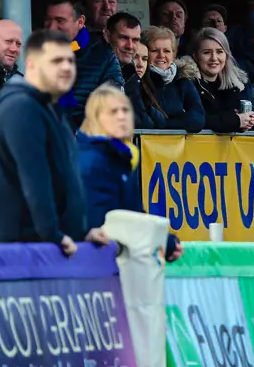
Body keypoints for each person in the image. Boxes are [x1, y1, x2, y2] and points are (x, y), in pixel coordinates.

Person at [0, 30, 106, 253]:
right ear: (31, 64)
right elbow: (35, 179)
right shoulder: (20, 108)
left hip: (53, 248)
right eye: (56, 61)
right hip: (26, 253)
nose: (66, 67)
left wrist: (82, 231)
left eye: (70, 61)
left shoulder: (51, 109)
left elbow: (63, 180)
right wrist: (53, 235)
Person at [77, 84, 182, 260]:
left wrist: (164, 240)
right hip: (94, 264)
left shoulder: (123, 158)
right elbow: (106, 222)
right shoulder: (92, 161)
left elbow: (134, 215)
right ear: (95, 118)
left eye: (125, 110)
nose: (121, 117)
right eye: (113, 112)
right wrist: (162, 241)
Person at [44, 0, 123, 126]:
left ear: (80, 22)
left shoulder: (104, 58)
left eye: (60, 21)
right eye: (48, 20)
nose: (51, 27)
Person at [131, 26, 205, 132]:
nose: (161, 55)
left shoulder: (183, 80)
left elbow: (198, 119)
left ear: (174, 54)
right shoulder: (138, 81)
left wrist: (165, 124)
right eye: (155, 50)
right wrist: (181, 119)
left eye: (167, 51)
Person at [181, 28, 254, 133]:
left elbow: (235, 122)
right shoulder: (186, 84)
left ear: (226, 55)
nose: (214, 58)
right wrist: (236, 121)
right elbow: (196, 121)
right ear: (196, 56)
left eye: (219, 52)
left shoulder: (235, 85)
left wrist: (246, 121)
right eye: (206, 52)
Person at [104, 12, 142, 77]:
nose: (130, 46)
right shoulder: (90, 71)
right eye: (124, 38)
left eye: (135, 40)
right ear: (107, 36)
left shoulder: (133, 74)